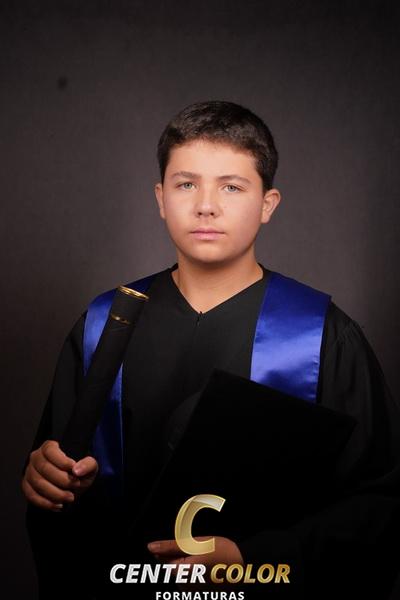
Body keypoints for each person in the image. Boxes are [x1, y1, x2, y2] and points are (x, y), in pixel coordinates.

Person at [22, 100, 400, 599]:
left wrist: (254, 560)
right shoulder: (103, 326)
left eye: (232, 187)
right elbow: (58, 486)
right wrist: (46, 478)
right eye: (186, 184)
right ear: (160, 198)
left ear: (268, 204)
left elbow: (379, 503)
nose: (206, 205)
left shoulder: (321, 336)